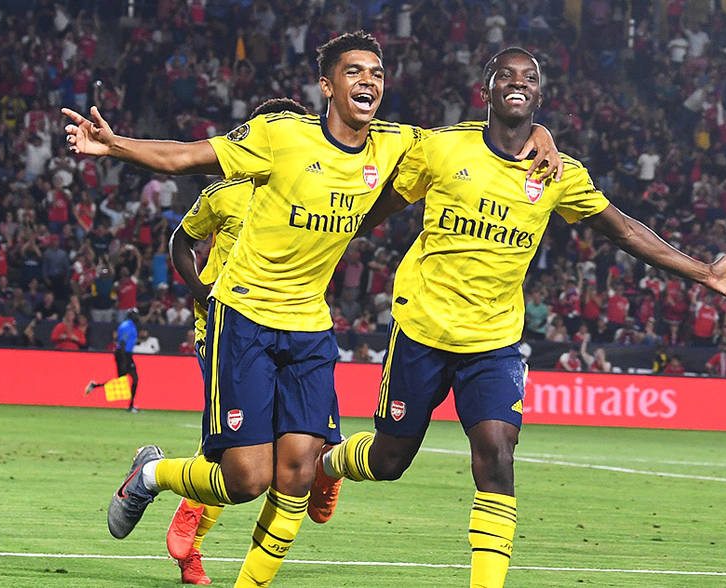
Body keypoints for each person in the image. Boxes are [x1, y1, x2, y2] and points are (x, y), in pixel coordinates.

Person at [63, 32, 562, 587]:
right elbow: (188, 157)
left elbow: (482, 137)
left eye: (375, 72)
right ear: (327, 85)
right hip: (246, 317)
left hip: (309, 326)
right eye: (353, 72)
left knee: (297, 474)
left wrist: (537, 131)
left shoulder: (397, 143)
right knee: (248, 480)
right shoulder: (280, 136)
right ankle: (152, 475)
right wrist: (115, 145)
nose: (367, 80)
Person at [309, 47, 726, 588]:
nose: (517, 82)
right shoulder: (441, 148)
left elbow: (622, 229)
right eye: (505, 75)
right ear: (487, 90)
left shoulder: (558, 173)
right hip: (423, 330)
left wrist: (703, 273)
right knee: (388, 460)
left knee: (497, 456)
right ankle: (330, 464)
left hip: (495, 341)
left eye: (529, 77)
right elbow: (369, 212)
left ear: (540, 95)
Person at [164, 97, 310, 586]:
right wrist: (201, 291)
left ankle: (197, 513)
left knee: (274, 448)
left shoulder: (309, 190)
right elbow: (179, 241)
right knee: (245, 446)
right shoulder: (223, 194)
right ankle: (192, 530)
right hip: (224, 330)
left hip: (285, 327)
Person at [84, 308, 140, 412]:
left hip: (126, 354)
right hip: (124, 354)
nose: (138, 317)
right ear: (131, 315)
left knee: (128, 379)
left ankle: (95, 386)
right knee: (133, 379)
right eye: (135, 315)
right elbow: (122, 343)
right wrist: (123, 361)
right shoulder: (127, 326)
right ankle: (130, 405)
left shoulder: (131, 325)